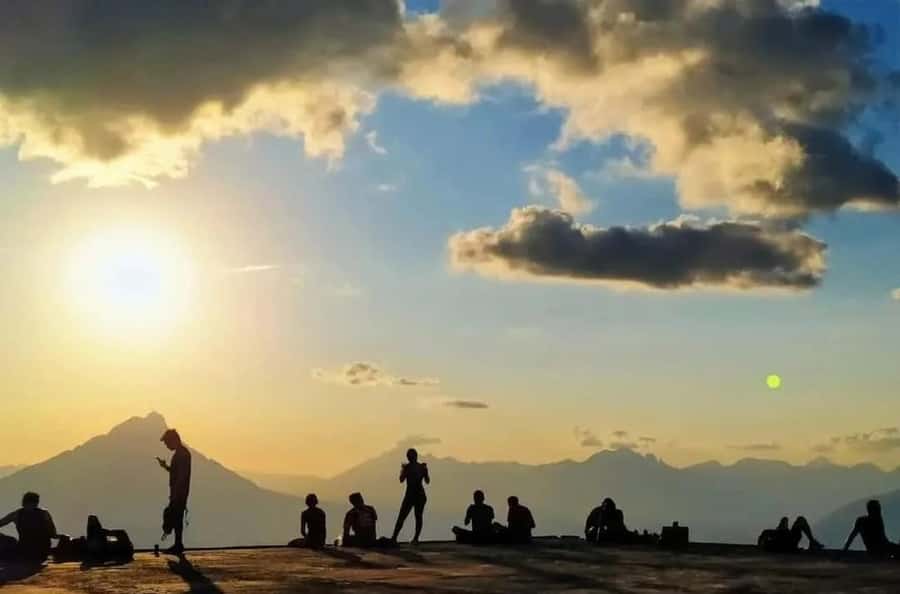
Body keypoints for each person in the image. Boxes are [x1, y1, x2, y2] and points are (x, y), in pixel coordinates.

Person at [157, 428, 192, 556]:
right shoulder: (181, 454)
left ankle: (178, 544)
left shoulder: (182, 454)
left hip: (179, 493)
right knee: (177, 518)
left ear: (173, 440)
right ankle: (178, 544)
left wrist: (176, 494)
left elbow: (181, 476)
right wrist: (166, 466)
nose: (166, 445)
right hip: (179, 493)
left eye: (167, 443)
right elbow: (177, 473)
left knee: (176, 518)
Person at [0, 492, 60, 562]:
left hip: (25, 550)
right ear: (36, 502)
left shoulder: (17, 514)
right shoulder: (44, 513)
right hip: (42, 551)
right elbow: (53, 534)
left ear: (24, 502)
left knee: (10, 540)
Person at [390, 448, 430, 544]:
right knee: (417, 517)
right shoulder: (421, 467)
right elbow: (427, 481)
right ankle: (414, 538)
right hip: (419, 495)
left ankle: (395, 538)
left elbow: (401, 479)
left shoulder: (409, 467)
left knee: (403, 516)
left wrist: (403, 470)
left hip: (412, 495)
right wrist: (425, 471)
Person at [758, 516, 823, 553]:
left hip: (789, 539)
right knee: (800, 521)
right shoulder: (774, 534)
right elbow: (763, 540)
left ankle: (812, 542)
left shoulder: (774, 532)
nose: (785, 523)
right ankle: (812, 542)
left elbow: (763, 538)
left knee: (800, 520)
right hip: (787, 543)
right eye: (783, 523)